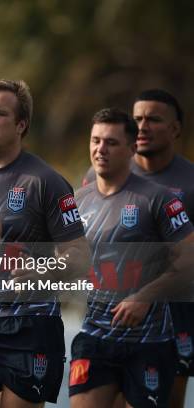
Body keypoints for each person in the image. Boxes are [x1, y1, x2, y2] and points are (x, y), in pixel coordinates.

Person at [0, 80, 90, 408]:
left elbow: (80, 256)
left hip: (28, 328)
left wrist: (44, 269)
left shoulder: (46, 182)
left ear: (21, 124)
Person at [70, 107, 194, 407]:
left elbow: (190, 259)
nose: (100, 149)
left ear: (131, 148)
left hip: (149, 342)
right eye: (95, 140)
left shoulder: (159, 199)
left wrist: (145, 297)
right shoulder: (77, 200)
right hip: (94, 337)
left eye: (111, 142)